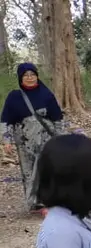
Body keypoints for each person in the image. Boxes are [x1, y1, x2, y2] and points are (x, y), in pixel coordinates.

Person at [1, 62, 65, 216]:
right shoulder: (13, 97)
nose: (30, 78)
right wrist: (7, 140)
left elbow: (57, 118)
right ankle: (34, 204)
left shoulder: (46, 94)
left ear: (37, 76)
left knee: (46, 168)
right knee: (28, 172)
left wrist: (61, 138)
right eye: (26, 75)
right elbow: (5, 120)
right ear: (20, 78)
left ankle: (49, 202)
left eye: (33, 74)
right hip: (24, 141)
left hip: (45, 138)